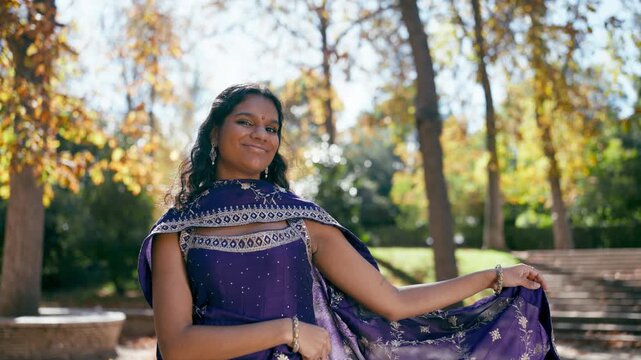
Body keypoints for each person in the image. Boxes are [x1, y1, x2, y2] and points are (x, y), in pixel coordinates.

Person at [138, 83, 559, 360]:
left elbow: (392, 301)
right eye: (245, 121)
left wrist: (493, 277)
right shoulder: (176, 232)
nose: (260, 134)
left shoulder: (301, 220)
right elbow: (177, 345)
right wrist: (289, 330)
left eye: (272, 127)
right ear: (214, 134)